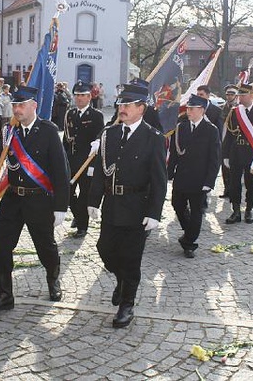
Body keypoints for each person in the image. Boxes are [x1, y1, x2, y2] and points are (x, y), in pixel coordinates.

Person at [0, 86, 70, 315]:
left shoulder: (48, 131)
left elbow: (61, 171)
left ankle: (52, 277)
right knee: (1, 247)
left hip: (39, 200)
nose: (16, 109)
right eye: (15, 105)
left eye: (21, 105)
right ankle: (4, 294)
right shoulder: (10, 130)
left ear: (33, 106)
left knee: (45, 247)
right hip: (12, 199)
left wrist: (61, 206)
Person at [87, 83, 167, 328]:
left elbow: (159, 179)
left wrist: (154, 213)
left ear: (141, 108)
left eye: (127, 105)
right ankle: (121, 281)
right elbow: (102, 171)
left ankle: (127, 304)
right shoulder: (109, 134)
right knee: (105, 249)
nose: (121, 109)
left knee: (131, 258)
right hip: (112, 204)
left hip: (137, 207)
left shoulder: (153, 138)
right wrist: (93, 201)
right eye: (120, 104)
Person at [167, 94, 220, 258]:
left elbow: (214, 158)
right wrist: (169, 173)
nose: (188, 111)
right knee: (177, 205)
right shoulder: (181, 127)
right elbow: (175, 153)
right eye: (188, 108)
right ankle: (189, 231)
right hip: (182, 176)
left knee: (197, 212)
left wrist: (209, 181)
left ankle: (189, 243)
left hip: (200, 179)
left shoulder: (211, 130)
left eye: (192, 108)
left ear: (202, 110)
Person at [221, 83, 253, 224]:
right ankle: (235, 211)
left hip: (252, 154)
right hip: (236, 153)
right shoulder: (235, 112)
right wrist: (225, 155)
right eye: (239, 95)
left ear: (251, 95)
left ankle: (249, 210)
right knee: (234, 183)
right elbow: (229, 135)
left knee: (251, 183)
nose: (240, 98)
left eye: (243, 95)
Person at [63, 81, 105, 238]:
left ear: (89, 97)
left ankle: (82, 226)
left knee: (84, 195)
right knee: (68, 193)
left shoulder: (96, 115)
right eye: (77, 95)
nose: (79, 98)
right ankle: (78, 216)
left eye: (83, 95)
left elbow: (99, 138)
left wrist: (94, 164)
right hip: (71, 160)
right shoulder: (70, 114)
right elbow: (66, 141)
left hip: (88, 162)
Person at [218, 85, 239, 197]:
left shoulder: (239, 108)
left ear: (236, 96)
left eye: (232, 94)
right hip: (223, 140)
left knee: (234, 167)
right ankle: (227, 189)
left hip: (235, 141)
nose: (229, 96)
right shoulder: (221, 108)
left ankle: (234, 190)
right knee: (224, 167)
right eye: (228, 94)